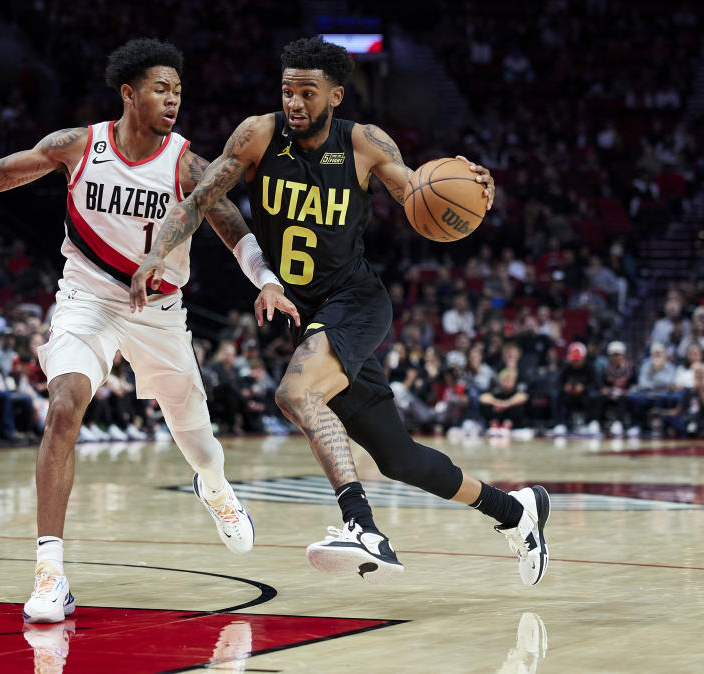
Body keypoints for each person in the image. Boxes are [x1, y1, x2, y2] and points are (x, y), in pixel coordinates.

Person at [132, 36, 549, 587]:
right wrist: (156, 253)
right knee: (400, 458)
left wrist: (467, 192)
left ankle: (363, 527)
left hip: (355, 303)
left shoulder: (366, 144)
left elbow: (416, 192)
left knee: (294, 394)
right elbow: (199, 200)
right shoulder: (257, 134)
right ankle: (515, 511)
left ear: (336, 96)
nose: (294, 103)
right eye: (287, 90)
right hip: (311, 317)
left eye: (307, 92)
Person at [0, 39, 288, 623]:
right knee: (64, 405)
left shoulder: (186, 162)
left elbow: (234, 227)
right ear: (129, 93)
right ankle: (50, 572)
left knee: (200, 444)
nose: (173, 100)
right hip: (87, 299)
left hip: (161, 313)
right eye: (162, 89)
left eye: (179, 92)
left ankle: (212, 485)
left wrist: (264, 278)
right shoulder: (79, 145)